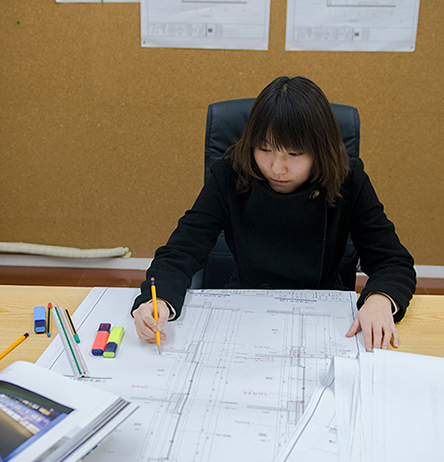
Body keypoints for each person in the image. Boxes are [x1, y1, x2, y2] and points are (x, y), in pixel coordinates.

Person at [132, 76, 416, 351]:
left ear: (320, 150)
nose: (277, 168)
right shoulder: (230, 174)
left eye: (295, 154)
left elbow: (392, 260)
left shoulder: (347, 178)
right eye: (265, 149)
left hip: (323, 312)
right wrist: (159, 301)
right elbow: (181, 249)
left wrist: (380, 298)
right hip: (246, 306)